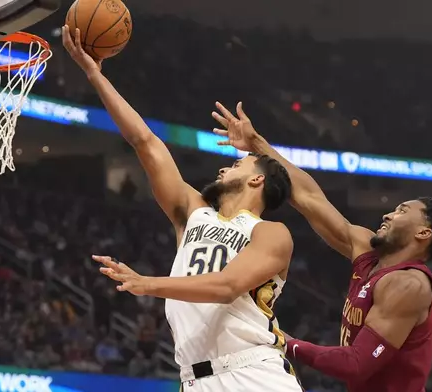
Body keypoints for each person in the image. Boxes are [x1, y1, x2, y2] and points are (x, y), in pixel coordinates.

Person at [62, 26, 303, 392]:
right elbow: (145, 141)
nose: (224, 168)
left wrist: (148, 284)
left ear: (258, 182)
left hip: (252, 374)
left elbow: (228, 286)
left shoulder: (271, 233)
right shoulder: (193, 212)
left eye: (237, 165)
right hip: (194, 380)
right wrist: (94, 74)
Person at [211, 102, 432, 392]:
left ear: (424, 232)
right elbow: (309, 197)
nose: (389, 214)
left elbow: (356, 364)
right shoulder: (367, 250)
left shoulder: (409, 284)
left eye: (402, 211)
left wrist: (285, 342)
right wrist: (258, 146)